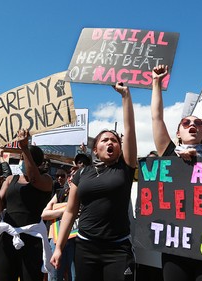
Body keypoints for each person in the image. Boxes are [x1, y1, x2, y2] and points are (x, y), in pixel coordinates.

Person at [150, 64, 202, 281]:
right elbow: (156, 118)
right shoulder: (169, 157)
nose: (192, 125)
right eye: (186, 123)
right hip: (177, 247)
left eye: (198, 123)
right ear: (178, 133)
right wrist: (156, 83)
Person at [50, 82, 137, 281]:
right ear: (95, 149)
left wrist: (125, 97)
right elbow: (70, 212)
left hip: (118, 249)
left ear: (120, 148)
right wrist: (59, 248)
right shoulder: (82, 174)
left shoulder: (125, 168)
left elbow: (130, 130)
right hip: (85, 247)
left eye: (114, 140)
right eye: (104, 140)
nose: (110, 143)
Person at [0, 129, 54, 281]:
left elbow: (33, 179)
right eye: (22, 158)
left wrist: (25, 147)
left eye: (24, 158)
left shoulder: (46, 180)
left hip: (31, 242)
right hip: (5, 241)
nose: (22, 162)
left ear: (35, 161)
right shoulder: (11, 179)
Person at [42, 167, 77, 281]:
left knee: (75, 276)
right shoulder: (60, 193)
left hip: (76, 242)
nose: (72, 178)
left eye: (75, 176)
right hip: (57, 240)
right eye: (71, 175)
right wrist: (65, 210)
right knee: (55, 275)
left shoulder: (86, 196)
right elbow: (44, 214)